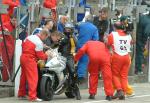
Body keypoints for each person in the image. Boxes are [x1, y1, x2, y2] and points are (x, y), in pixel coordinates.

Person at [18, 29, 52, 102]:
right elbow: (41, 56)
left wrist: (42, 46)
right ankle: (32, 97)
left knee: (23, 77)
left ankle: (21, 94)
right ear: (44, 35)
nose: (45, 39)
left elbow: (23, 44)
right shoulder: (39, 43)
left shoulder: (30, 37)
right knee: (33, 78)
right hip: (30, 59)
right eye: (45, 38)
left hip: (23, 57)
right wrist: (47, 54)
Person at [107, 21, 132, 100]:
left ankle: (119, 90)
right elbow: (131, 43)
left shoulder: (112, 34)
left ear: (114, 27)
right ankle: (123, 93)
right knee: (124, 76)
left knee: (115, 75)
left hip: (117, 56)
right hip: (126, 56)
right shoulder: (128, 35)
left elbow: (108, 44)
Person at [58, 22, 81, 100]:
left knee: (72, 72)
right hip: (60, 56)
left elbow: (76, 46)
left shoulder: (73, 38)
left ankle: (76, 90)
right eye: (66, 29)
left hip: (69, 57)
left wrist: (69, 39)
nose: (67, 30)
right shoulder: (61, 36)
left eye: (69, 29)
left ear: (71, 30)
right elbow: (56, 45)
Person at [76, 15, 99, 80]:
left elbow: (75, 27)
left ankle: (75, 72)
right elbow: (95, 39)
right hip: (87, 47)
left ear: (86, 19)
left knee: (77, 59)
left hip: (79, 45)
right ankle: (80, 76)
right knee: (84, 61)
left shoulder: (81, 25)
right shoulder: (94, 28)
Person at [0, 16, 17, 82]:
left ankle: (9, 78)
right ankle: (5, 79)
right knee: (6, 63)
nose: (14, 22)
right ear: (10, 19)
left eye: (16, 20)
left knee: (11, 63)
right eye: (13, 20)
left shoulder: (16, 26)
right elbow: (1, 30)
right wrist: (4, 30)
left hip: (12, 47)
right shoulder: (5, 25)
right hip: (6, 47)